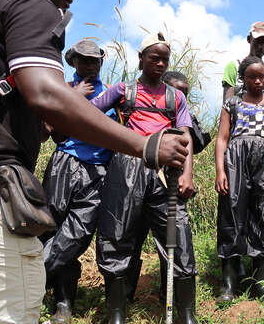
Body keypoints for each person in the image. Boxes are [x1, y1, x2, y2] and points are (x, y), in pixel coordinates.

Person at [0, 0, 188, 323]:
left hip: (85, 173)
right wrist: (144, 144)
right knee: (10, 308)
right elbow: (47, 94)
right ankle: (65, 297)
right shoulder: (29, 3)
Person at [91, 32, 197, 324]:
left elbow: (185, 135)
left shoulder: (176, 97)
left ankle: (186, 314)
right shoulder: (122, 90)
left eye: (165, 59)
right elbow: (89, 114)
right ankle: (116, 313)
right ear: (141, 58)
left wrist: (187, 173)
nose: (160, 63)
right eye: (154, 57)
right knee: (117, 235)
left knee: (179, 236)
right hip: (126, 167)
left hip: (165, 173)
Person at [40, 39, 116, 324]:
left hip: (97, 171)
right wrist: (75, 98)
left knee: (76, 235)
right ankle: (63, 303)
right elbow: (55, 134)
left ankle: (30, 282)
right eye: (83, 60)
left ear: (100, 63)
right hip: (64, 165)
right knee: (53, 230)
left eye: (94, 61)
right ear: (73, 62)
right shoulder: (64, 90)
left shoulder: (111, 94)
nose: (89, 66)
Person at [214, 56, 264, 302]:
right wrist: (220, 171)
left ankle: (262, 280)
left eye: (261, 77)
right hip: (236, 159)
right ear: (243, 78)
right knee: (231, 213)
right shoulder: (232, 103)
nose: (257, 81)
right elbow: (222, 139)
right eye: (252, 77)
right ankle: (229, 282)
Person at [221, 21, 264, 103]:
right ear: (249, 39)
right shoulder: (234, 66)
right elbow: (227, 104)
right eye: (258, 41)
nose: (261, 47)